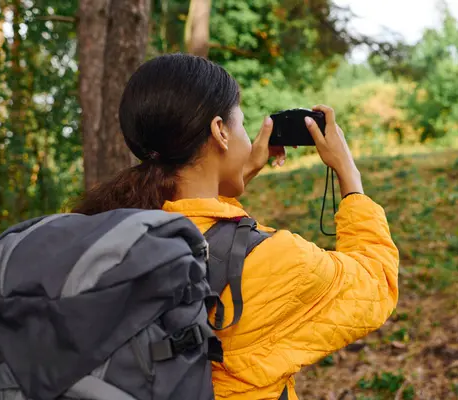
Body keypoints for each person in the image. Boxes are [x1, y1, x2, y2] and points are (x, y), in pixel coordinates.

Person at [73, 53, 399, 400]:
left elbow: (194, 214)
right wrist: (349, 173)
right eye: (241, 124)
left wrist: (233, 176)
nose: (247, 136)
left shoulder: (111, 229)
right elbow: (374, 282)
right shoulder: (269, 259)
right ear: (219, 131)